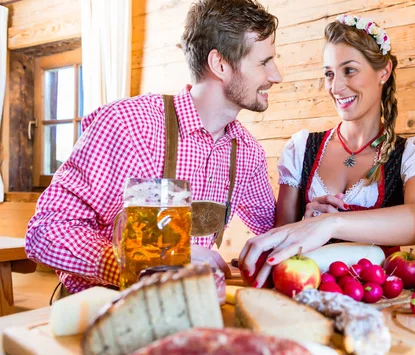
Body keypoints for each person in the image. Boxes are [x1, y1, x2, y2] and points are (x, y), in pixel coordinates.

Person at [25, 0, 282, 294]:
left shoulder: (247, 151)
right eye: (264, 62)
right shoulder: (129, 125)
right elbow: (45, 232)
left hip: (179, 310)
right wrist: (150, 261)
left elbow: (271, 231)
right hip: (101, 309)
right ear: (219, 64)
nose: (276, 75)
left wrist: (313, 214)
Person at [240, 15, 415, 287]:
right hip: (307, 296)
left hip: (381, 303)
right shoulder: (302, 149)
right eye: (329, 74)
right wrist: (305, 221)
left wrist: (331, 224)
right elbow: (279, 241)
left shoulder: (411, 155)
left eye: (349, 70)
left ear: (384, 71)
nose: (335, 87)